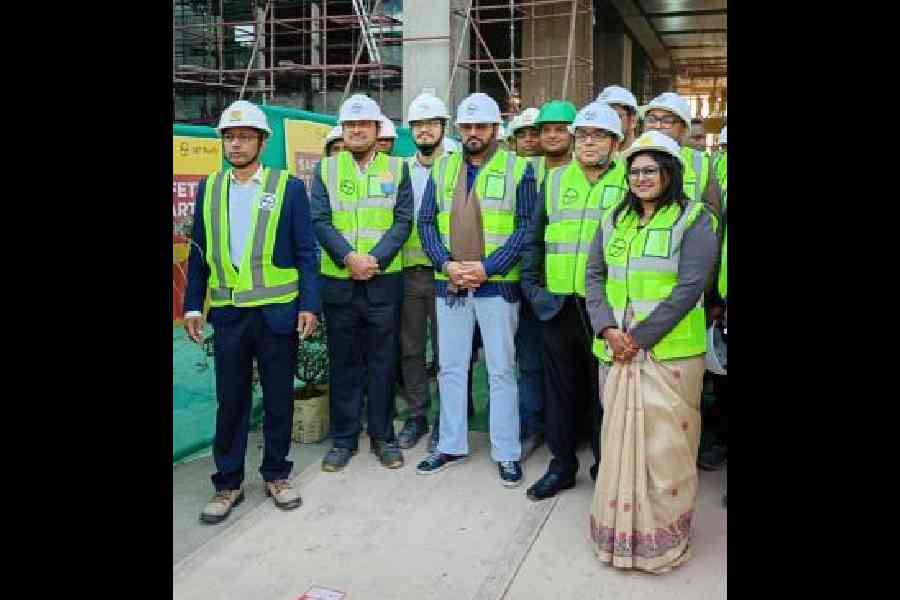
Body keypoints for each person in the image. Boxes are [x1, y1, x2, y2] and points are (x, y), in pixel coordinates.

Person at [585, 130, 718, 573]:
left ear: (669, 173)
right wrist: (606, 326)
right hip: (616, 352)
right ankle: (620, 540)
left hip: (669, 357)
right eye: (634, 170)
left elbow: (690, 287)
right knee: (618, 445)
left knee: (665, 453)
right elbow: (594, 277)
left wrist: (638, 338)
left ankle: (663, 542)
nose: (641, 178)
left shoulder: (694, 219)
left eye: (650, 170)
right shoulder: (613, 219)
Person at [184, 100, 322, 524]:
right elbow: (198, 256)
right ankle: (228, 483)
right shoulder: (210, 188)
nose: (236, 144)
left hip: (277, 313)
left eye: (245, 136)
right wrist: (192, 305)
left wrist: (309, 305)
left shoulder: (288, 188)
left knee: (278, 397)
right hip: (228, 316)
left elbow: (306, 252)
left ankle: (277, 475)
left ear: (263, 141)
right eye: (230, 136)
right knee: (231, 400)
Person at [416, 92, 535, 488]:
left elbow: (523, 229)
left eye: (480, 126)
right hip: (449, 282)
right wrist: (447, 264)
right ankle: (450, 444)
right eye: (466, 127)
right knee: (450, 367)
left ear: (495, 130)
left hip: (496, 286)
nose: (472, 133)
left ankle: (506, 453)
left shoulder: (519, 169)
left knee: (501, 370)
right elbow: (426, 224)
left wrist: (487, 268)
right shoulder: (443, 169)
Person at [520, 102, 628, 501]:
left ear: (616, 143)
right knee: (560, 394)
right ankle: (562, 466)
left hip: (606, 310)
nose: (588, 142)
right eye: (583, 135)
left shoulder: (630, 182)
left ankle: (605, 468)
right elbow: (533, 239)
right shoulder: (555, 180)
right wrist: (533, 289)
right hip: (558, 306)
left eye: (598, 136)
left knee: (605, 397)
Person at [310, 93, 413, 472]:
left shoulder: (397, 169)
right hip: (339, 282)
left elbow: (403, 221)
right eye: (349, 125)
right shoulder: (326, 170)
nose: (355, 131)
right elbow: (319, 220)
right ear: (343, 129)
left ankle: (384, 438)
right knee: (344, 363)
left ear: (376, 129)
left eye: (363, 125)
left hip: (383, 282)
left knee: (383, 363)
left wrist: (375, 259)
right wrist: (349, 258)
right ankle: (343, 439)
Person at [396, 92, 453, 451]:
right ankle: (417, 416)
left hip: (447, 275)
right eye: (418, 125)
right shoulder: (400, 170)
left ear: (443, 128)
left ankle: (448, 421)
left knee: (450, 352)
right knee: (411, 349)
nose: (425, 130)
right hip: (408, 273)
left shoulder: (459, 167)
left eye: (431, 124)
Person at [507, 105, 547, 460]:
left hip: (548, 283)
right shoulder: (510, 173)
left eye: (537, 133)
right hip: (511, 280)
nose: (531, 140)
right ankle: (530, 425)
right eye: (524, 134)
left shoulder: (564, 172)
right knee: (524, 359)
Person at [641, 92, 722, 217]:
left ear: (684, 129)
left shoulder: (702, 163)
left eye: (667, 121)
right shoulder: (629, 159)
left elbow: (714, 214)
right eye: (651, 120)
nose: (657, 126)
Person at [533, 100, 577, 188]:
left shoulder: (586, 172)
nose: (552, 135)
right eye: (546, 130)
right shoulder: (527, 169)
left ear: (573, 134)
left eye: (560, 130)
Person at [596, 85, 639, 154]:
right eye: (602, 118)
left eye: (615, 117)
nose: (607, 124)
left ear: (633, 120)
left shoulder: (646, 156)